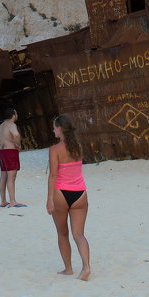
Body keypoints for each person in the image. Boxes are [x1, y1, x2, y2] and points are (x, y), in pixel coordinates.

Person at [46, 115, 91, 281]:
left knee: (62, 234)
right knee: (79, 235)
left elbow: (52, 175)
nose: (53, 130)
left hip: (61, 194)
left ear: (60, 129)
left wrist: (49, 199)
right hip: (80, 193)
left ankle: (69, 268)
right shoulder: (78, 146)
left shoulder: (54, 149)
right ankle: (86, 267)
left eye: (54, 127)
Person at [0, 109, 24, 207]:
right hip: (10, 152)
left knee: (3, 176)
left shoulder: (1, 125)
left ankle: (3, 201)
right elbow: (16, 134)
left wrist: (3, 142)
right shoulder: (11, 125)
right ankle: (13, 201)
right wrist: (17, 144)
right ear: (13, 115)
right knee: (11, 176)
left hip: (2, 152)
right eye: (16, 113)